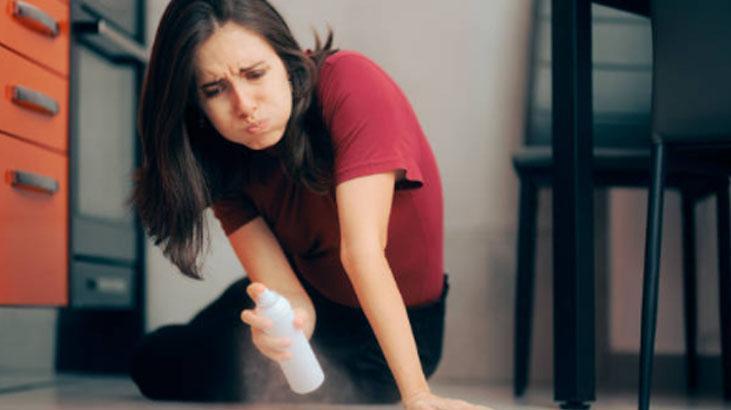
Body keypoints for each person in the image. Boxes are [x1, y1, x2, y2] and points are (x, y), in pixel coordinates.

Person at [131, 0, 490, 409]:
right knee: (153, 362)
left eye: (255, 74)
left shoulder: (351, 83)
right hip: (310, 296)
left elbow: (362, 252)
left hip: (394, 333)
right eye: (215, 90)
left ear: (286, 60)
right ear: (195, 105)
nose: (244, 105)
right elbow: (290, 297)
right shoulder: (217, 156)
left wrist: (417, 395)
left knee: (198, 368)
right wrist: (289, 327)